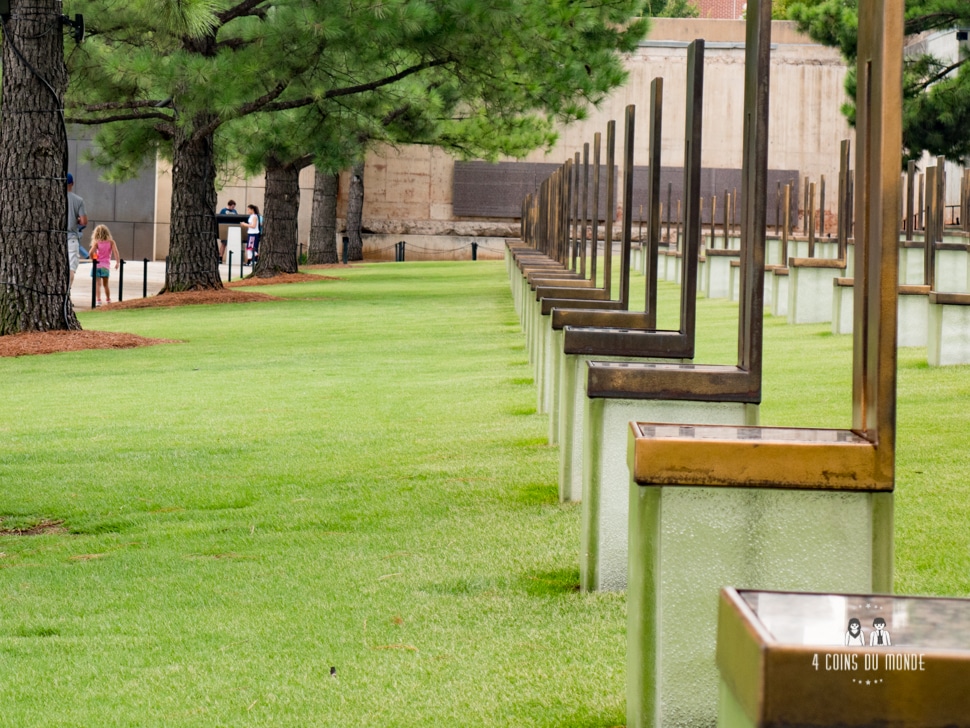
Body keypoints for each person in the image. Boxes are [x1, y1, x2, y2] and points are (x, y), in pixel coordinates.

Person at [89, 224, 121, 306]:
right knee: (106, 284)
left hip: (97, 265)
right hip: (105, 266)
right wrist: (117, 262)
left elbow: (90, 252)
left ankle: (98, 300)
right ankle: (108, 299)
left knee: (97, 284)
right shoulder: (111, 242)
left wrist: (93, 259)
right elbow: (116, 252)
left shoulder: (97, 243)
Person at [67, 173, 88, 286]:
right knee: (71, 268)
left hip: (55, 239)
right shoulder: (78, 200)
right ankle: (67, 294)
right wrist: (77, 219)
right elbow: (84, 221)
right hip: (71, 238)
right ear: (72, 184)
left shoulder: (53, 199)